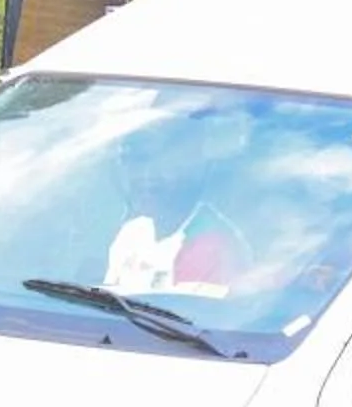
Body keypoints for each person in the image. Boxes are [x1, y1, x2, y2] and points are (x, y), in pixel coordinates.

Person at [101, 113, 252, 298]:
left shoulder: (211, 246)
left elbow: (191, 321)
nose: (146, 176)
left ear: (189, 167)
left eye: (164, 161)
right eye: (136, 160)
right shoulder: (132, 233)